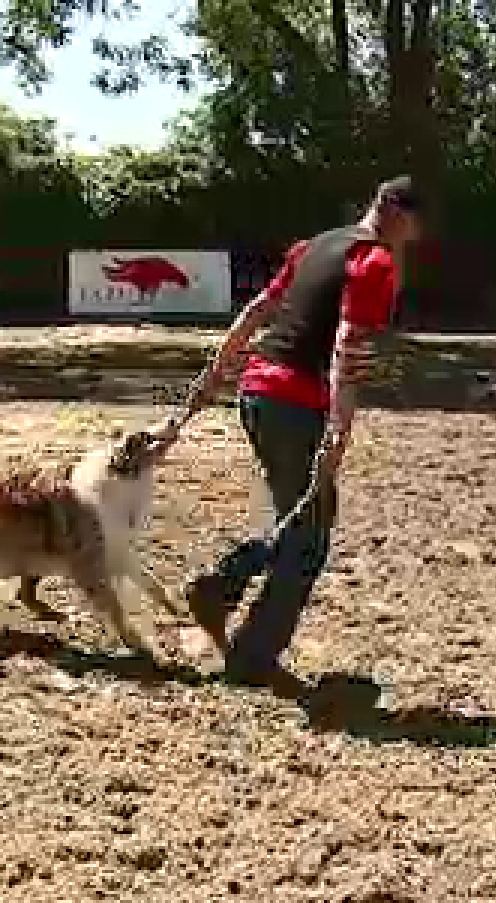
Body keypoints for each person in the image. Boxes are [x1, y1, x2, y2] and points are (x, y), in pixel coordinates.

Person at [165, 175, 424, 695]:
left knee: (298, 515)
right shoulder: (374, 263)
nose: (415, 237)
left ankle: (224, 590)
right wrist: (339, 431)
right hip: (296, 404)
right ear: (399, 215)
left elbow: (259, 309)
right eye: (416, 226)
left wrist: (218, 370)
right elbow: (347, 346)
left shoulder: (315, 246)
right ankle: (248, 647)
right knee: (309, 535)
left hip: (257, 394)